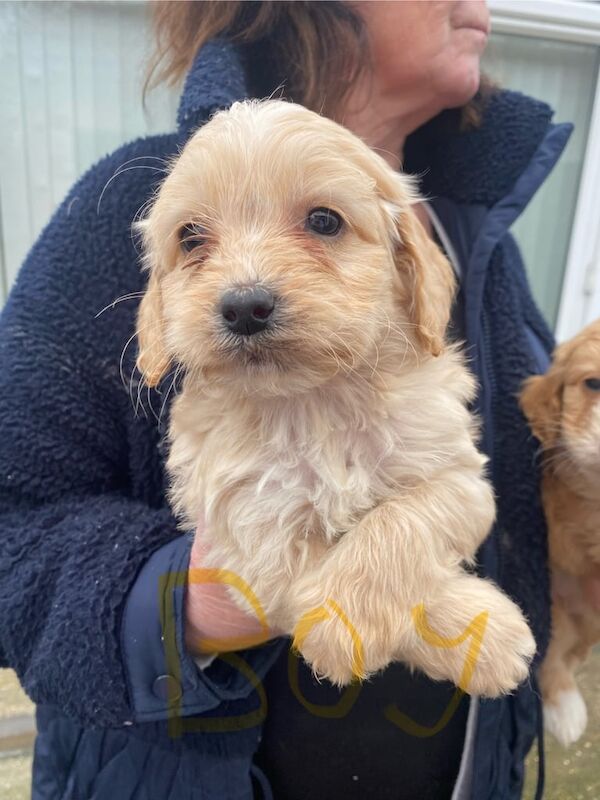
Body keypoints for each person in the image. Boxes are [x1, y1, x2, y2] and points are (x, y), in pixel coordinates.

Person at [0, 2, 571, 798]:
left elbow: (499, 484)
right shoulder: (116, 205)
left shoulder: (474, 233)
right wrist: (205, 599)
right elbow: (12, 537)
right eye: (195, 242)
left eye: (323, 223)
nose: (245, 289)